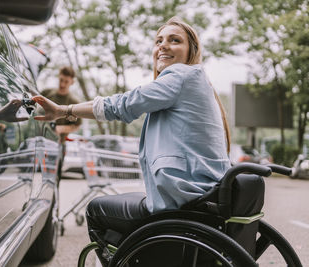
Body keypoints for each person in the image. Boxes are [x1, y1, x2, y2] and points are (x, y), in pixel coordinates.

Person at [32, 17, 231, 265]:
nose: (163, 45)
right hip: (202, 196)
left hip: (183, 198)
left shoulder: (181, 75)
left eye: (174, 40)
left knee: (97, 211)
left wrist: (65, 110)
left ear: (192, 51)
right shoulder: (197, 83)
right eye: (159, 41)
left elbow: (124, 105)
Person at [39, 66, 82, 179]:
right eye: (61, 80)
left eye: (66, 81)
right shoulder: (47, 93)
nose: (62, 84)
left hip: (58, 145)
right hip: (40, 142)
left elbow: (76, 126)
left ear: (72, 82)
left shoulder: (74, 102)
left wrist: (59, 129)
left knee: (53, 179)